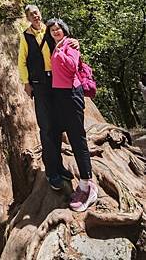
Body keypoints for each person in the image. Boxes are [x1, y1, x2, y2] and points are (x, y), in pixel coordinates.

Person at [18, 5, 74, 190]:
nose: (35, 16)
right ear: (27, 18)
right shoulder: (26, 36)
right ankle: (51, 172)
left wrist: (75, 43)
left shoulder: (49, 30)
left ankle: (60, 166)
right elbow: (22, 61)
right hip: (40, 84)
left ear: (40, 13)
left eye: (36, 12)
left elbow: (64, 41)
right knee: (47, 127)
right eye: (30, 15)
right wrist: (26, 82)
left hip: (57, 82)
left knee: (58, 126)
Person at [46, 17, 98, 212]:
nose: (56, 31)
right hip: (59, 96)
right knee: (57, 134)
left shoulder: (69, 44)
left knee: (77, 138)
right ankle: (71, 179)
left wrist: (60, 50)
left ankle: (87, 185)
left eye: (58, 29)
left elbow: (71, 66)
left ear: (64, 30)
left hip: (71, 94)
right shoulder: (55, 45)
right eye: (52, 30)